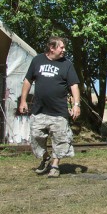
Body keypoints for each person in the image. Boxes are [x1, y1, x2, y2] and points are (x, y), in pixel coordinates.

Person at [19, 36, 80, 179]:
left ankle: (55, 165)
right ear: (52, 48)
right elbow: (28, 81)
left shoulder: (67, 65)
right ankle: (46, 158)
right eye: (61, 47)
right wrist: (23, 101)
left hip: (59, 111)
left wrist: (76, 105)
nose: (64, 50)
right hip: (39, 110)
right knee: (36, 137)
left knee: (60, 140)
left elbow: (74, 86)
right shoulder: (38, 60)